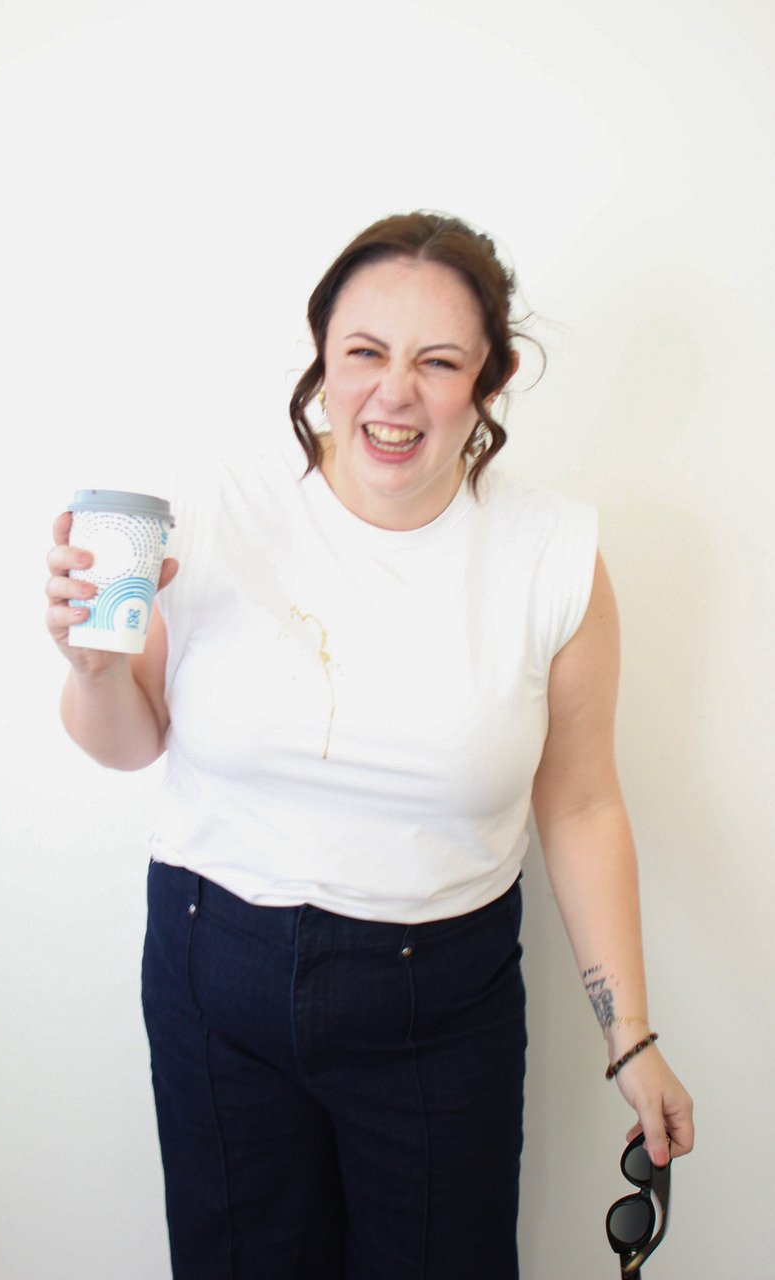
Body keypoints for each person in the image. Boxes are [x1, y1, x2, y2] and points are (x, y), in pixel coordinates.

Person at [45, 211, 694, 1280]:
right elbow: (129, 745)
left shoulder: (552, 555)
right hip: (215, 973)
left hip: (439, 1002)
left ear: (491, 379)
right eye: (364, 353)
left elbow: (578, 803)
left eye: (438, 362)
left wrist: (629, 1035)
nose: (393, 393)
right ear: (323, 358)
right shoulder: (214, 507)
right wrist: (93, 666)